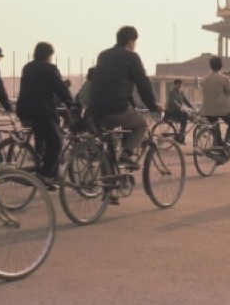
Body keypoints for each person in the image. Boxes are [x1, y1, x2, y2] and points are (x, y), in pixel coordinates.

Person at [89, 26, 161, 169]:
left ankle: (109, 180)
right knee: (141, 125)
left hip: (96, 108)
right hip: (116, 107)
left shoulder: (103, 55)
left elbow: (113, 84)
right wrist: (153, 105)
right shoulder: (131, 56)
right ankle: (126, 156)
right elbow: (143, 83)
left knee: (108, 144)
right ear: (131, 41)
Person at [16, 42, 74, 188]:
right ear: (49, 55)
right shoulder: (49, 68)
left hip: (24, 110)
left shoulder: (27, 67)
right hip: (41, 111)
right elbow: (60, 88)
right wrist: (71, 103)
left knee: (44, 139)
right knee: (56, 142)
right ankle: (46, 175)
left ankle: (44, 167)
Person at [200, 56, 230, 149]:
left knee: (215, 129)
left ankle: (218, 150)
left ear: (210, 66)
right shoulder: (224, 78)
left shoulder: (205, 79)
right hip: (221, 109)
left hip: (207, 110)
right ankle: (228, 142)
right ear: (221, 65)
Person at [164, 79, 194, 144]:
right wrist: (181, 107)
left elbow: (186, 100)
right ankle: (181, 134)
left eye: (180, 84)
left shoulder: (182, 92)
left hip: (178, 111)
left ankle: (181, 134)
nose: (179, 86)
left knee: (186, 117)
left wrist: (191, 106)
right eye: (178, 84)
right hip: (171, 111)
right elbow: (173, 101)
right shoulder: (171, 92)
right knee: (184, 114)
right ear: (174, 85)